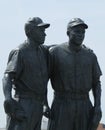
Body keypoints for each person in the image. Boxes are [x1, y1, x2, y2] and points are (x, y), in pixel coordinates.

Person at [48, 18, 102, 130]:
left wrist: (97, 106)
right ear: (68, 33)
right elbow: (43, 80)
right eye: (77, 31)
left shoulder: (90, 56)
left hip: (84, 105)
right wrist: (44, 104)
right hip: (62, 104)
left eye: (83, 32)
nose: (80, 35)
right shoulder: (55, 52)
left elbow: (96, 83)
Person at [2, 17, 51, 130]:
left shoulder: (42, 51)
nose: (45, 34)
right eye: (41, 31)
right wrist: (8, 99)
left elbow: (55, 48)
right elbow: (7, 76)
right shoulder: (20, 52)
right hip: (24, 103)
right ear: (31, 31)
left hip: (38, 105)